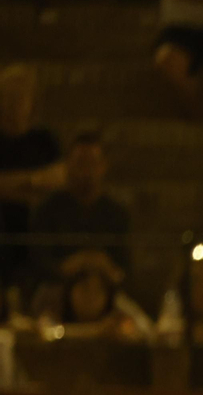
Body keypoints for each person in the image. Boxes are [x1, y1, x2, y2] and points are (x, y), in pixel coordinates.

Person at [30, 132, 132, 287]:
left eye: (92, 163)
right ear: (68, 165)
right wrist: (70, 266)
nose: (86, 171)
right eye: (80, 163)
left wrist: (102, 264)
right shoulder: (47, 210)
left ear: (103, 166)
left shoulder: (118, 214)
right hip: (56, 292)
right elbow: (38, 264)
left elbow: (124, 271)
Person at [0, 64, 63, 291]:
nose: (12, 104)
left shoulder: (44, 140)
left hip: (38, 232)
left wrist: (16, 183)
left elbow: (59, 179)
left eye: (19, 97)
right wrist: (35, 183)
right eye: (7, 96)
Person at [46, 265, 151, 343]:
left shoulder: (115, 303)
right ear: (71, 290)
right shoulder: (57, 303)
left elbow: (148, 330)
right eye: (85, 288)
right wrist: (97, 331)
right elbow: (47, 332)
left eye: (98, 291)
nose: (91, 297)